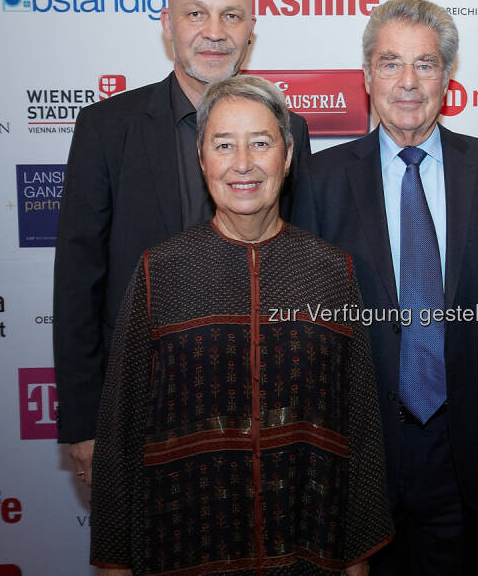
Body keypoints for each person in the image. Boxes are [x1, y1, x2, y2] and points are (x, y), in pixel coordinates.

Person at [89, 75, 392, 575]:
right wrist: (115, 564)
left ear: (288, 155)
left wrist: (356, 559)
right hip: (186, 547)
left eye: (261, 143)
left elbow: (357, 427)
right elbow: (120, 435)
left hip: (306, 551)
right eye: (224, 145)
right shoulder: (158, 273)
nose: (243, 164)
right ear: (201, 157)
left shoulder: (332, 272)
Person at [298, 0, 478, 575]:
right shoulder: (320, 179)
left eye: (426, 64)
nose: (408, 82)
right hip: (358, 440)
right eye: (390, 63)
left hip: (462, 440)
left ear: (448, 76)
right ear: (366, 75)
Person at [53, 0, 311, 486]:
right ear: (168, 25)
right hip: (139, 408)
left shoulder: (291, 131)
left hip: (264, 412)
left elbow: (299, 263)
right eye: (196, 13)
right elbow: (78, 282)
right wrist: (82, 421)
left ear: (251, 33)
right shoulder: (108, 128)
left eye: (232, 16)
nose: (214, 33)